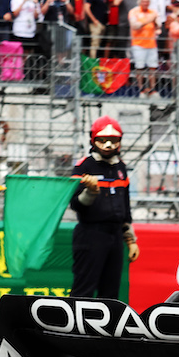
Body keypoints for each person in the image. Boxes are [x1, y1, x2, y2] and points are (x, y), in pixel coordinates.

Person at [69, 116, 139, 299]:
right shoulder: (84, 166)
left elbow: (125, 208)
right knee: (83, 289)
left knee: (111, 292)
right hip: (91, 234)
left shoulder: (121, 167)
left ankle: (106, 328)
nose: (108, 145)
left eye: (113, 140)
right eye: (103, 140)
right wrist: (90, 192)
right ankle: (75, 327)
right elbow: (75, 204)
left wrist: (130, 240)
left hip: (115, 236)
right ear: (93, 140)